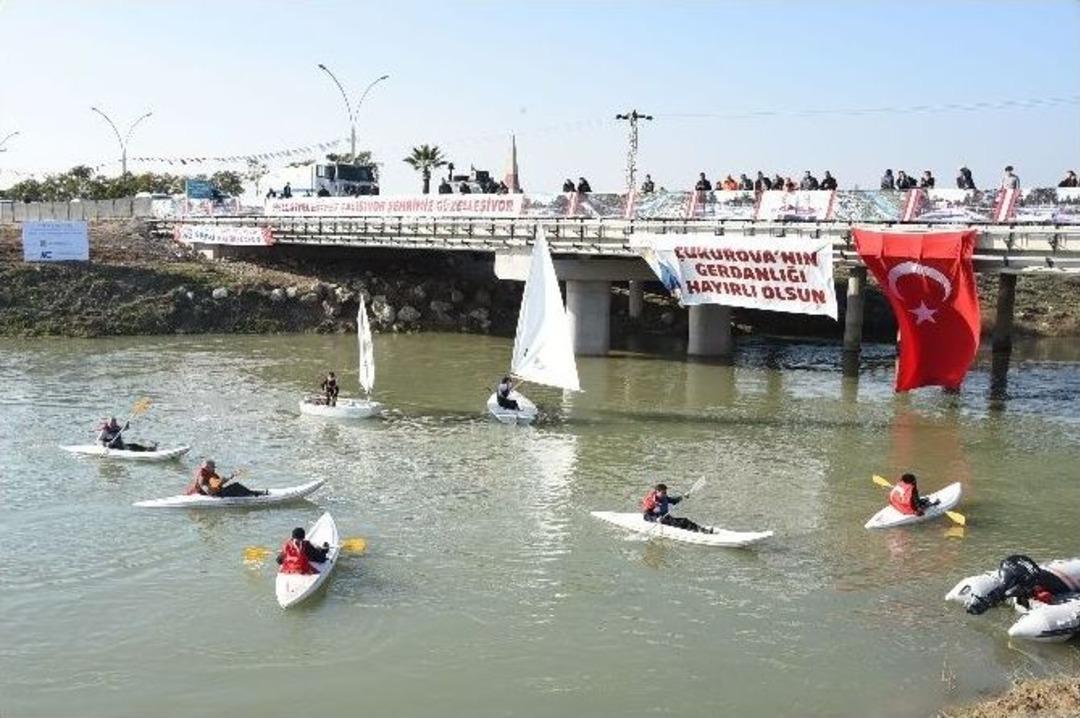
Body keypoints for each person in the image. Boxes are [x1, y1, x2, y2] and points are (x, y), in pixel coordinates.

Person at [641, 483, 712, 533]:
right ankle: (701, 531)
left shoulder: (664, 497)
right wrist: (656, 519)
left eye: (665, 492)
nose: (665, 494)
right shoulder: (650, 502)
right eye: (663, 492)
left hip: (666, 517)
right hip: (659, 520)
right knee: (684, 521)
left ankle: (701, 529)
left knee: (684, 520)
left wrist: (683, 497)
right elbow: (646, 516)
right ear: (657, 492)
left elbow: (674, 501)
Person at [186, 459, 266, 497]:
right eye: (213, 467)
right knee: (236, 486)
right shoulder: (202, 475)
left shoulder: (206, 472)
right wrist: (213, 492)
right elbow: (207, 490)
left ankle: (251, 492)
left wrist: (232, 476)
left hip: (209, 493)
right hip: (211, 495)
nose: (214, 468)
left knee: (234, 487)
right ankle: (254, 494)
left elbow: (215, 483)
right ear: (207, 467)